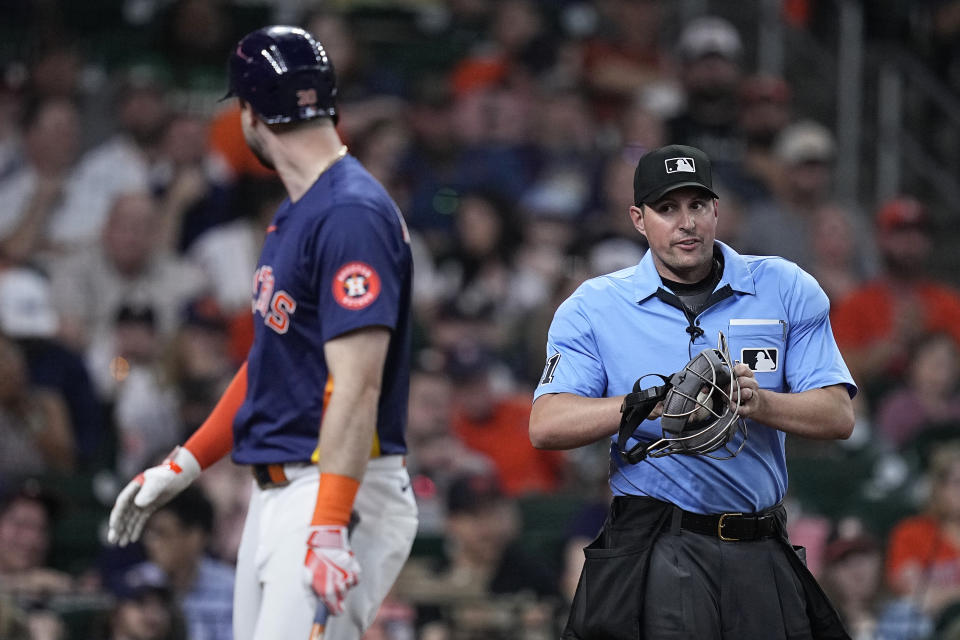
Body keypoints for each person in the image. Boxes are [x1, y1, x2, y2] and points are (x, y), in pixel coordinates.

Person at [107, 26, 418, 640]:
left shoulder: (350, 213)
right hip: (281, 491)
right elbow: (275, 364)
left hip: (334, 486)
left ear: (250, 114)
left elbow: (356, 387)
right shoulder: (299, 210)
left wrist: (329, 524)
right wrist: (186, 462)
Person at [529, 143, 857, 638]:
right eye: (667, 208)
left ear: (716, 211)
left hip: (759, 539)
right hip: (661, 543)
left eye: (697, 205)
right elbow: (546, 424)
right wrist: (646, 403)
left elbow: (838, 415)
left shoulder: (785, 286)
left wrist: (759, 402)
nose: (686, 223)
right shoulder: (595, 305)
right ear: (639, 219)